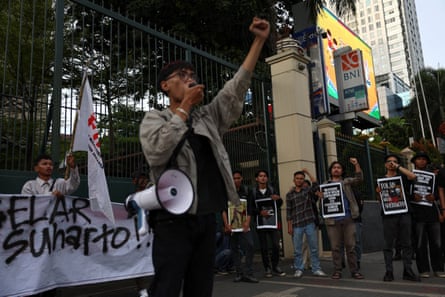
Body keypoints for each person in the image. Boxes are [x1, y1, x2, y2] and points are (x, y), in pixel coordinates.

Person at [138, 17, 270, 297]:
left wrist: (259, 41)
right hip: (172, 220)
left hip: (206, 218)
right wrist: (184, 107)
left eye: (192, 75)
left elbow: (235, 89)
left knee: (201, 289)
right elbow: (157, 151)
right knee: (166, 288)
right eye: (182, 75)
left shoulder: (207, 117)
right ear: (164, 85)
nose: (190, 78)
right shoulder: (154, 118)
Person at [22, 153, 80, 297]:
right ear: (36, 168)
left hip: (55, 235)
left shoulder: (60, 183)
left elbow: (73, 185)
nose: (48, 166)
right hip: (35, 236)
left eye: (50, 164)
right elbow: (28, 206)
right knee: (34, 269)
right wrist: (50, 197)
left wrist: (73, 168)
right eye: (44, 164)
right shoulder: (29, 186)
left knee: (51, 270)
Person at [376, 154, 420, 282]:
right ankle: (389, 271)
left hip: (404, 213)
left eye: (394, 161)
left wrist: (399, 167)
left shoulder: (402, 176)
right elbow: (380, 200)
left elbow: (413, 176)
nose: (392, 163)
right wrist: (378, 193)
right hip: (389, 214)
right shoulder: (380, 179)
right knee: (388, 244)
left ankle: (408, 270)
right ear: (385, 164)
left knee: (407, 243)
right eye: (389, 161)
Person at [321, 158, 364, 280]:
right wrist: (321, 197)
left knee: (351, 246)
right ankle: (337, 270)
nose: (336, 169)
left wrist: (356, 164)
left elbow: (359, 179)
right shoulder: (325, 185)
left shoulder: (346, 182)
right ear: (331, 171)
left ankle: (354, 271)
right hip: (332, 220)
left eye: (338, 167)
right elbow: (323, 204)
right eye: (334, 167)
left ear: (342, 171)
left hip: (348, 219)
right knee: (335, 247)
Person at [286, 169, 327, 278]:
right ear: (294, 180)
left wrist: (308, 172)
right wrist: (289, 227)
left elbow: (315, 184)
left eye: (301, 179)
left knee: (313, 248)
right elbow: (289, 212)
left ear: (304, 180)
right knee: (298, 249)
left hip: (309, 222)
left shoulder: (308, 191)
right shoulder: (289, 194)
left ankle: (316, 269)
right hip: (297, 224)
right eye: (297, 178)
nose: (299, 180)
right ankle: (299, 269)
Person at [410, 151, 445, 278]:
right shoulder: (409, 175)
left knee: (437, 242)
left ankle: (439, 268)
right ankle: (423, 269)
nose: (421, 161)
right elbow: (406, 192)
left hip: (432, 213)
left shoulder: (434, 176)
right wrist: (413, 196)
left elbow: (438, 192)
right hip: (417, 214)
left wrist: (433, 197)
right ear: (414, 161)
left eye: (424, 159)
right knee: (420, 243)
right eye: (418, 159)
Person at [222, 170, 258, 283]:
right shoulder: (227, 192)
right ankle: (239, 273)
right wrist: (226, 224)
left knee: (250, 245)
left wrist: (247, 222)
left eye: (238, 178)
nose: (236, 180)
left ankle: (249, 272)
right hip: (232, 226)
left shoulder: (247, 191)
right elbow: (223, 210)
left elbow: (251, 208)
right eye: (234, 178)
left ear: (241, 178)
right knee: (234, 249)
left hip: (244, 225)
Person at [251, 169, 286, 278]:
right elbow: (250, 208)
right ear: (257, 178)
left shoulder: (272, 189)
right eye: (260, 176)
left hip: (272, 222)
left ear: (267, 178)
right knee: (264, 247)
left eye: (265, 176)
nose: (263, 177)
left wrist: (278, 199)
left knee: (276, 245)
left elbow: (278, 204)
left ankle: (275, 266)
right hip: (261, 222)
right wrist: (259, 212)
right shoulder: (253, 192)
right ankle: (267, 268)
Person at [130, 170, 152, 297]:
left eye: (143, 178)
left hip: (153, 232)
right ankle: (142, 288)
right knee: (139, 259)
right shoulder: (135, 195)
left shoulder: (152, 189)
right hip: (141, 234)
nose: (136, 183)